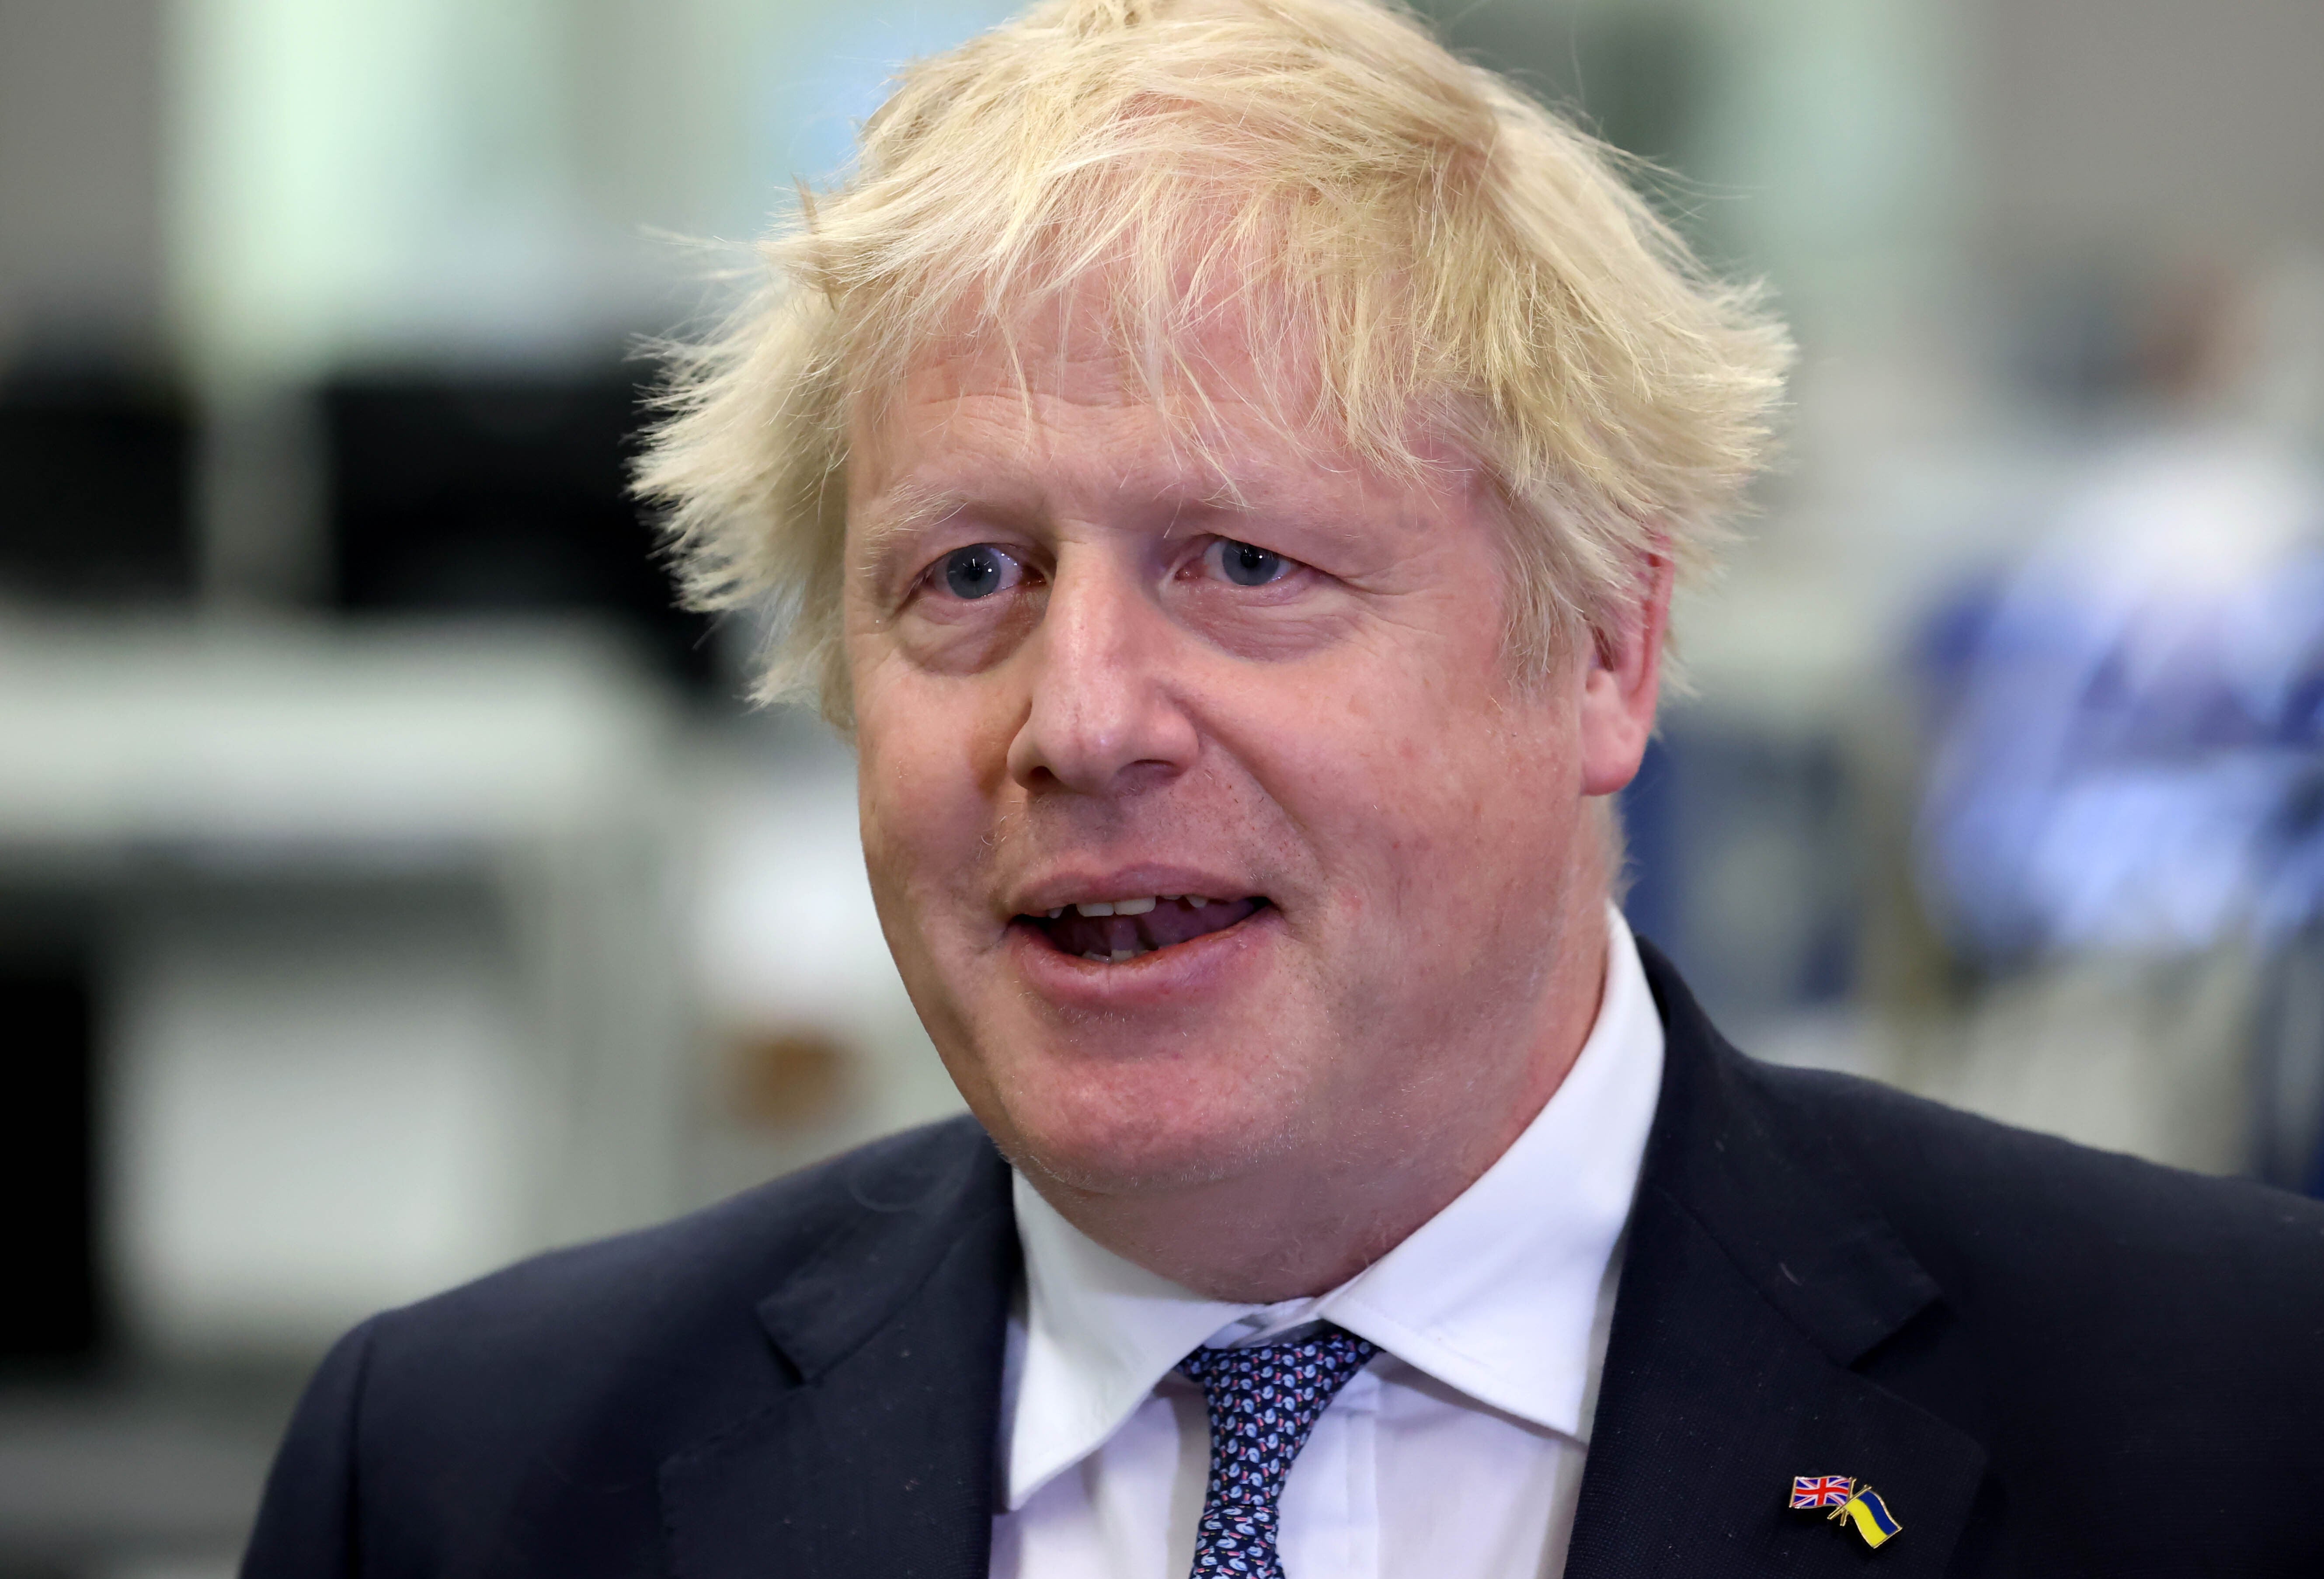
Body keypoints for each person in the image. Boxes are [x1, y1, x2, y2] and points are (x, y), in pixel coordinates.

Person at [242, 0, 2324, 1574]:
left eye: (1244, 565)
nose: (1084, 718)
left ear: (1606, 650)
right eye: (969, 577)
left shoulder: (2239, 1419)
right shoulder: (466, 1483)